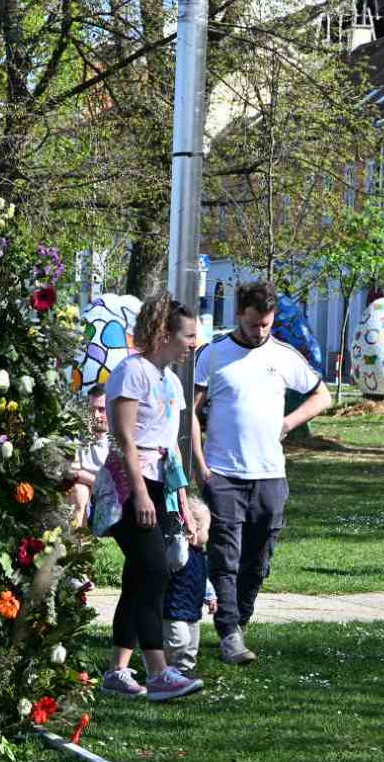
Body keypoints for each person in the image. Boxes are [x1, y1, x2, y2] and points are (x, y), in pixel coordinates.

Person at [193, 282, 330, 665]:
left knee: (258, 560)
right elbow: (191, 411)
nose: (259, 331)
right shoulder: (213, 355)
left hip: (270, 474)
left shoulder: (283, 356)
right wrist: (201, 467)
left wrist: (288, 422)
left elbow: (322, 395)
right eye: (254, 324)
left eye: (266, 324)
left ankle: (241, 620)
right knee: (225, 556)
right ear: (239, 314)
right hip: (223, 474)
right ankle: (229, 633)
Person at [99, 293, 204, 702]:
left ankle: (117, 670)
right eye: (188, 335)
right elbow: (124, 438)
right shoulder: (131, 372)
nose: (194, 343)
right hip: (130, 484)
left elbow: (170, 444)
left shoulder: (171, 381)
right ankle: (158, 673)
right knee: (155, 570)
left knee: (140, 574)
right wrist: (140, 494)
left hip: (160, 483)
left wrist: (182, 503)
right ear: (163, 333)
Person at [162, 499, 215, 675]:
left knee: (191, 644)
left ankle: (185, 671)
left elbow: (202, 578)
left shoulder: (200, 555)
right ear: (195, 529)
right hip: (174, 608)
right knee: (179, 642)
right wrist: (182, 535)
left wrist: (210, 596)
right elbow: (177, 560)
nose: (208, 533)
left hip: (192, 609)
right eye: (207, 529)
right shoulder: (180, 551)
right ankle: (167, 667)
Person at [67, 384, 109, 529]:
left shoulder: (120, 438)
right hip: (88, 498)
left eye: (101, 409)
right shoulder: (78, 436)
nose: (96, 415)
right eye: (92, 410)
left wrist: (84, 476)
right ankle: (78, 539)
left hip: (113, 500)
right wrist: (97, 482)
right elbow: (71, 471)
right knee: (79, 490)